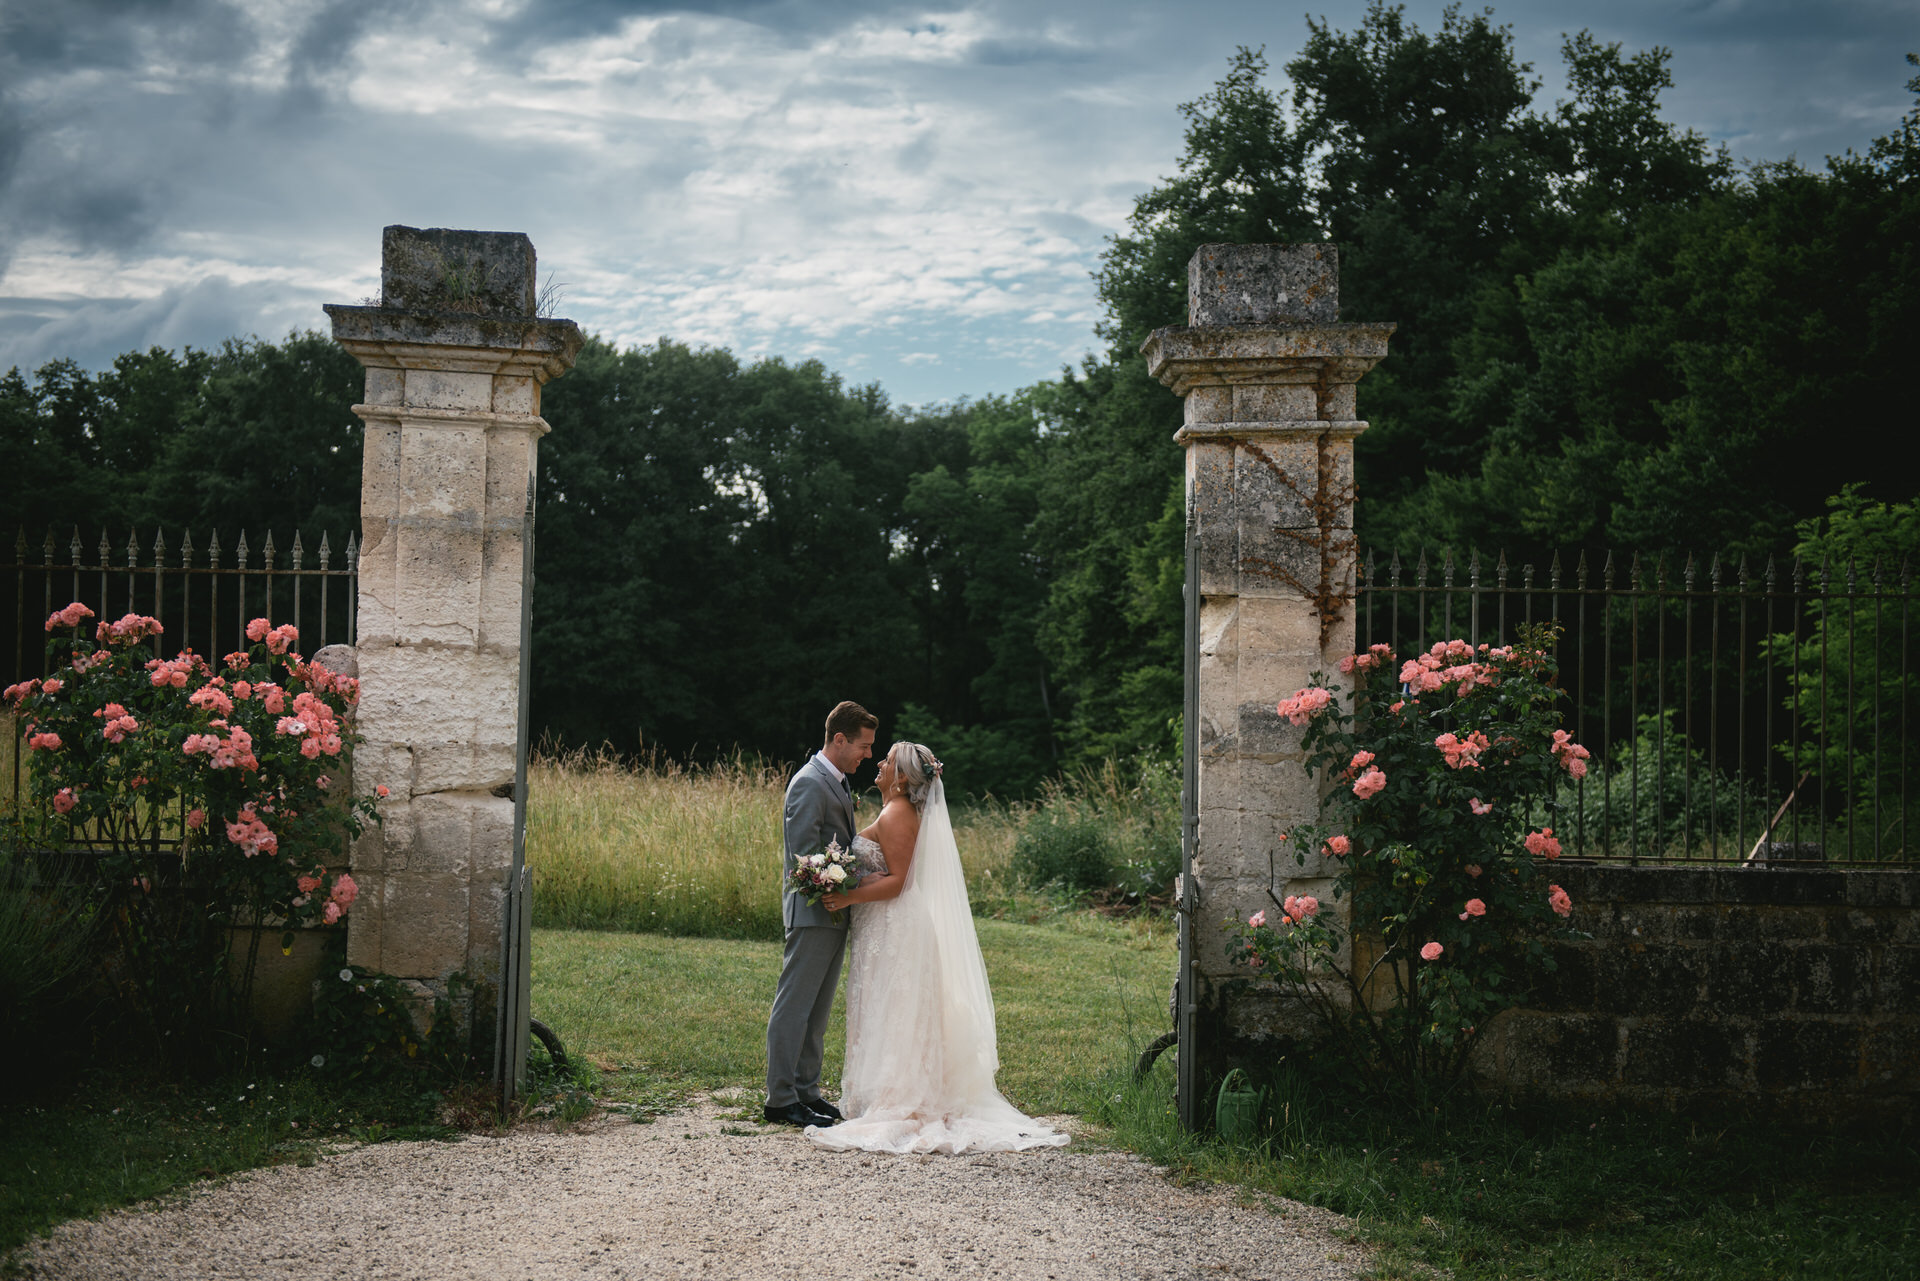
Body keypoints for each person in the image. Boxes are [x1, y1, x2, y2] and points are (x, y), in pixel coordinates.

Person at [807, 741, 1069, 1154]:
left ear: (904, 778)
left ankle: (904, 1099)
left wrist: (846, 896)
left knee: (897, 1011)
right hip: (887, 927)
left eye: (888, 760)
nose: (879, 762)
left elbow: (898, 881)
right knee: (891, 1010)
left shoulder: (897, 814)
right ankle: (894, 1091)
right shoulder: (899, 811)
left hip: (896, 929)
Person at [763, 700, 876, 1127]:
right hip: (813, 910)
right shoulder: (810, 782)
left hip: (833, 912)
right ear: (840, 739)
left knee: (817, 1010)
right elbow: (803, 855)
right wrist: (846, 884)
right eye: (863, 746)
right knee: (794, 1006)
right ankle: (779, 1099)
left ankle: (806, 1091)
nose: (867, 754)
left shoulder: (837, 781)